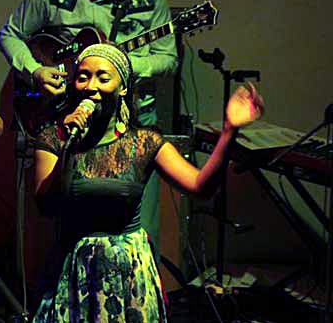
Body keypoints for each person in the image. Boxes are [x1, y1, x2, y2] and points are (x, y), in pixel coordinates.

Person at [31, 43, 264, 322]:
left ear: (123, 88)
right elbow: (45, 203)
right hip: (73, 268)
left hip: (127, 272)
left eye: (103, 78)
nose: (91, 86)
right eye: (83, 77)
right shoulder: (54, 138)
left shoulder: (143, 142)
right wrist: (70, 147)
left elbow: (200, 186)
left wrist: (229, 131)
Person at [0, 0, 177, 258]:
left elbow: (168, 59)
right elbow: (10, 34)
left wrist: (125, 65)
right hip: (73, 125)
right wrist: (35, 70)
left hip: (132, 126)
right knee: (66, 229)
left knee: (139, 228)